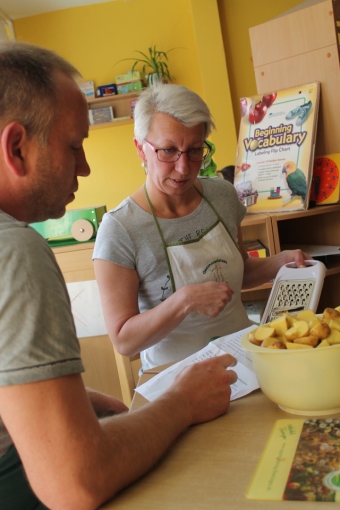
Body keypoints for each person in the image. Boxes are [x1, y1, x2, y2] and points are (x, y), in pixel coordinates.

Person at [0, 41, 238, 510]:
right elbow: (77, 483)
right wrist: (182, 402)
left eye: (195, 151)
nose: (85, 167)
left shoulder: (222, 196)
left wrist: (72, 398)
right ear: (16, 148)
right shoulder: (18, 250)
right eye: (74, 146)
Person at [93, 84, 311, 371]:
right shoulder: (120, 228)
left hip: (246, 357)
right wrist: (185, 301)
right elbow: (124, 340)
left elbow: (238, 272)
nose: (183, 167)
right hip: (176, 377)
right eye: (168, 150)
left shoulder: (221, 195)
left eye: (195, 150)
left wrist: (279, 263)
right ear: (140, 149)